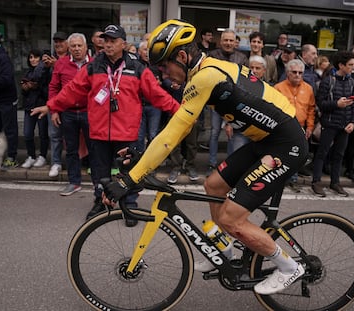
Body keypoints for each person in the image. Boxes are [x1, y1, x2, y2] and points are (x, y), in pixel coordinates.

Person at [102, 19, 308, 295]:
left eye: (165, 66)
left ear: (183, 56)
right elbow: (173, 130)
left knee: (232, 218)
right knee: (213, 185)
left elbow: (174, 133)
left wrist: (130, 178)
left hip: (286, 145)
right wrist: (144, 156)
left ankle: (288, 267)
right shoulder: (209, 69)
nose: (165, 74)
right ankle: (224, 247)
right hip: (266, 141)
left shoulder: (205, 77)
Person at [32, 24, 179, 220]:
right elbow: (71, 90)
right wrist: (51, 106)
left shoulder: (137, 68)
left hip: (127, 133)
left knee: (129, 173)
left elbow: (157, 95)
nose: (108, 45)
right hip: (99, 132)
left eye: (113, 41)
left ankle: (130, 205)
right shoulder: (92, 67)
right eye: (106, 41)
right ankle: (101, 202)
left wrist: (180, 111)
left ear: (123, 44)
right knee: (100, 173)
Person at [50, 33, 93, 196]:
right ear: (69, 48)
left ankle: (99, 183)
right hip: (67, 113)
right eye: (73, 46)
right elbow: (53, 88)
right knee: (71, 149)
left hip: (89, 113)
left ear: (86, 47)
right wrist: (54, 110)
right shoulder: (61, 64)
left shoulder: (95, 64)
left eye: (79, 46)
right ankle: (74, 182)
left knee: (95, 149)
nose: (76, 49)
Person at [311, 51, 354, 197]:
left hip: (345, 126)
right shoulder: (328, 81)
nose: (353, 67)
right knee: (322, 153)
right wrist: (336, 104)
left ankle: (335, 183)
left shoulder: (352, 82)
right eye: (350, 65)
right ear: (341, 65)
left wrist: (353, 122)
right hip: (330, 124)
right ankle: (316, 182)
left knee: (339, 155)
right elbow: (320, 104)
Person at [208, 29, 249, 174]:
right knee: (214, 133)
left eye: (231, 40)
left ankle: (229, 166)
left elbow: (244, 82)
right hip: (215, 102)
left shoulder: (242, 58)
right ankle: (212, 164)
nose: (228, 43)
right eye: (225, 40)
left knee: (232, 134)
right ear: (221, 41)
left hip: (233, 103)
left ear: (235, 42)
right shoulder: (212, 56)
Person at [275, 59, 315, 192]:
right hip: (283, 127)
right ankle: (281, 178)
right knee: (282, 154)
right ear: (287, 73)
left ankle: (293, 179)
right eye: (294, 72)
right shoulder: (278, 87)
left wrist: (310, 127)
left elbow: (311, 109)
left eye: (300, 72)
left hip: (301, 127)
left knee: (297, 155)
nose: (297, 75)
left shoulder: (308, 88)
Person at [44, 31, 69, 178]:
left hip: (69, 103)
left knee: (72, 136)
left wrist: (58, 64)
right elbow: (46, 83)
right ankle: (56, 162)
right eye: (56, 41)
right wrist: (46, 67)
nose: (58, 44)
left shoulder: (70, 59)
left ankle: (74, 163)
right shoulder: (48, 58)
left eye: (61, 41)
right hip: (53, 101)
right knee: (54, 135)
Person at [20, 49, 49, 169]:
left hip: (41, 106)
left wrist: (37, 87)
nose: (33, 60)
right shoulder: (27, 73)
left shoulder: (45, 72)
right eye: (31, 57)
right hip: (29, 107)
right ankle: (31, 156)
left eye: (36, 57)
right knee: (27, 133)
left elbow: (48, 91)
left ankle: (42, 156)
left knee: (43, 134)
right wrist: (25, 88)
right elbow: (23, 92)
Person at [0, 32, 19, 170]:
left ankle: (12, 157)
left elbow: (6, 79)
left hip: (6, 100)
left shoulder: (3, 58)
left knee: (10, 130)